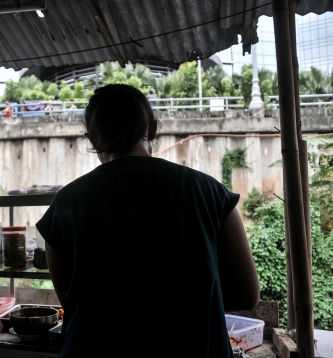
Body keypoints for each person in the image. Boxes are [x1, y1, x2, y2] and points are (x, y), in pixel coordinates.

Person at [36, 84, 259, 357]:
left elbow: (73, 301)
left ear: (92, 139)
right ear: (153, 129)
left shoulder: (64, 205)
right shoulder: (210, 192)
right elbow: (248, 296)